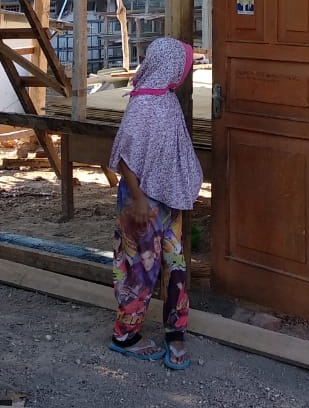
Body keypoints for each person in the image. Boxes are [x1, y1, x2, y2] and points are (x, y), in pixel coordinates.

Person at [106, 37, 204, 370]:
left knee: (175, 265)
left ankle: (175, 332)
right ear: (170, 67)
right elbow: (123, 157)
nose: (185, 71)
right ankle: (126, 335)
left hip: (167, 200)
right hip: (142, 204)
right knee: (141, 270)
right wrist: (138, 199)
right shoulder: (141, 106)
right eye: (183, 65)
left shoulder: (166, 99)